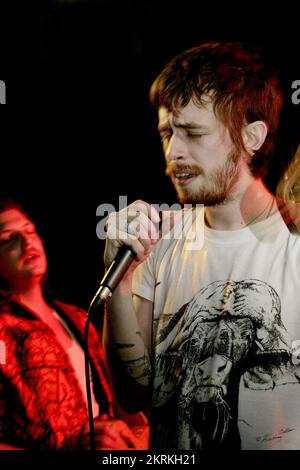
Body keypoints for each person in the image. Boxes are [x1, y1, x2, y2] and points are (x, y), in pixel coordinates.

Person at [102, 41, 300, 450]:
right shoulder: (159, 241)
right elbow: (132, 396)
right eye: (167, 133)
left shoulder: (293, 244)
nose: (173, 152)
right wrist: (119, 288)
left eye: (193, 132)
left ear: (252, 137)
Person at [0, 199, 148, 450]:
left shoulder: (80, 318)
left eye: (29, 230)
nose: (27, 242)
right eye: (8, 239)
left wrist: (133, 438)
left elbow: (131, 414)